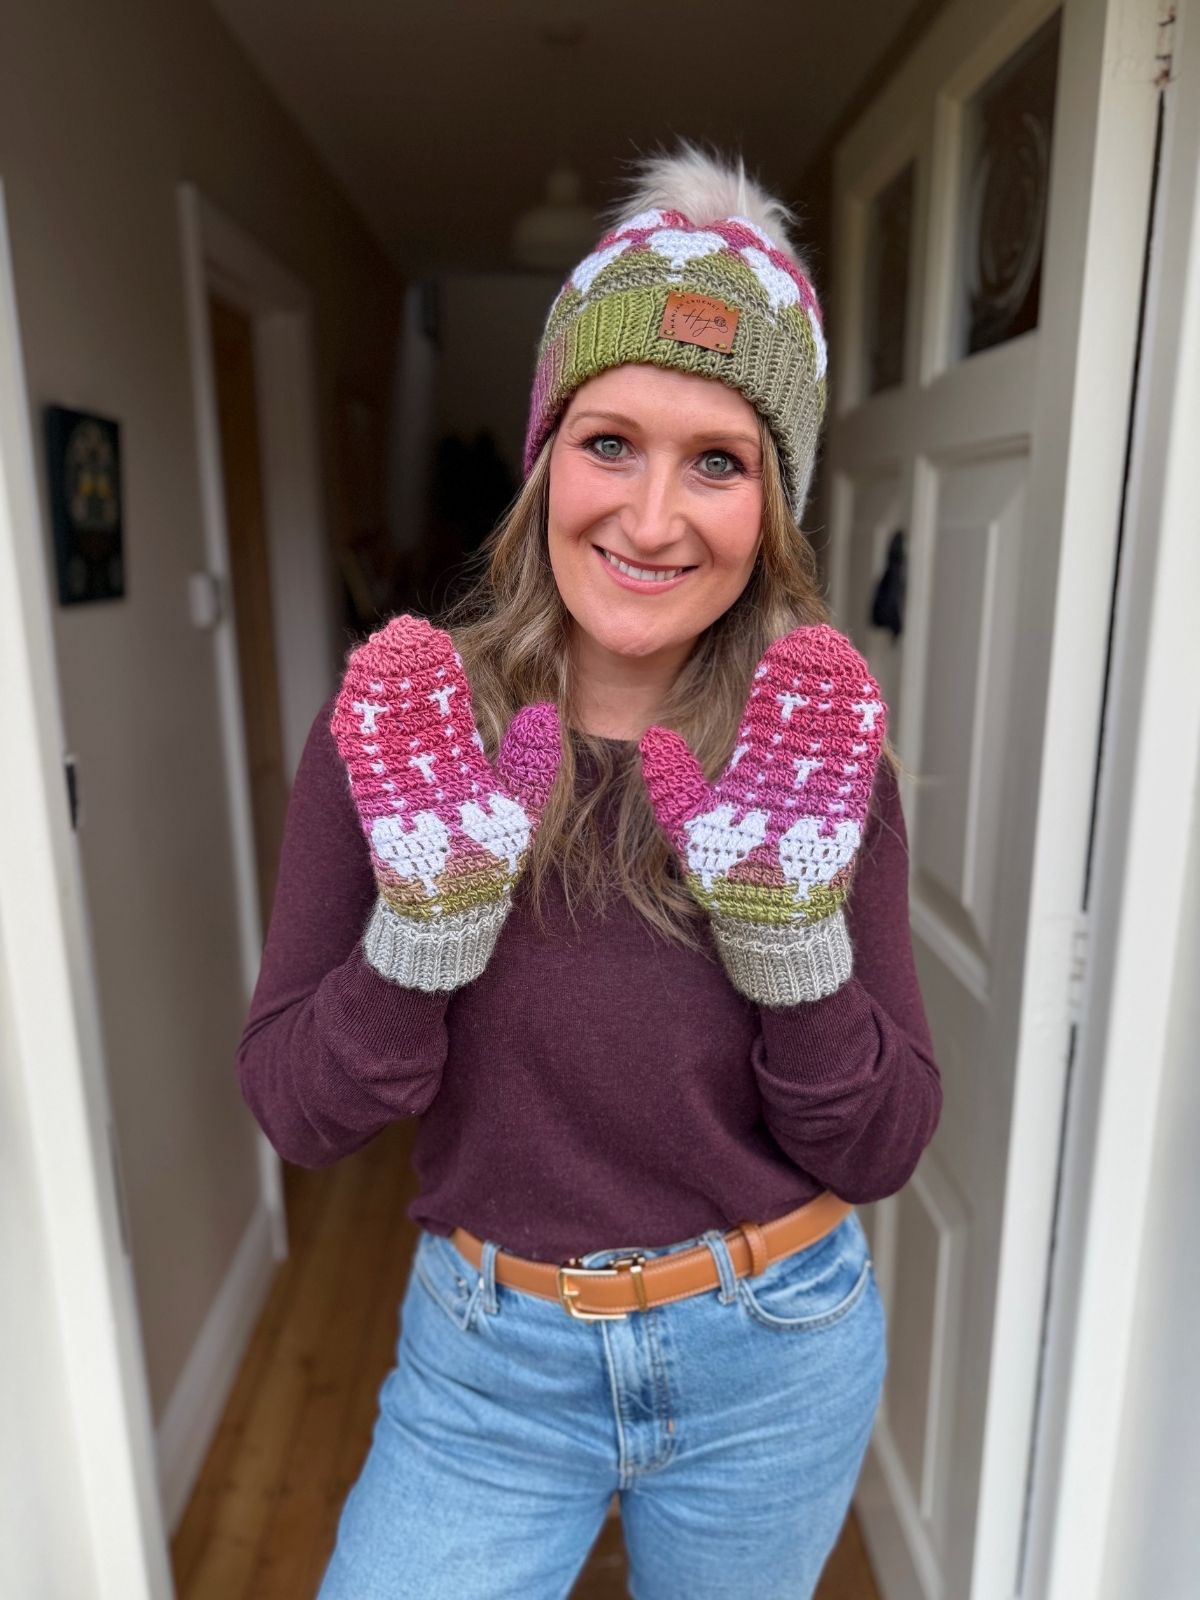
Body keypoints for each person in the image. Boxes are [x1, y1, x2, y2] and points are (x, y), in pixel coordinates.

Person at [237, 142, 942, 1600]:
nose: (652, 516)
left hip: (775, 1352)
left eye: (719, 462)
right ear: (544, 453)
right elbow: (299, 1111)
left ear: (776, 504)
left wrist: (794, 953)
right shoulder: (407, 735)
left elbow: (881, 1148)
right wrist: (419, 941)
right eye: (610, 441)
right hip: (487, 1369)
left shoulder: (811, 765)